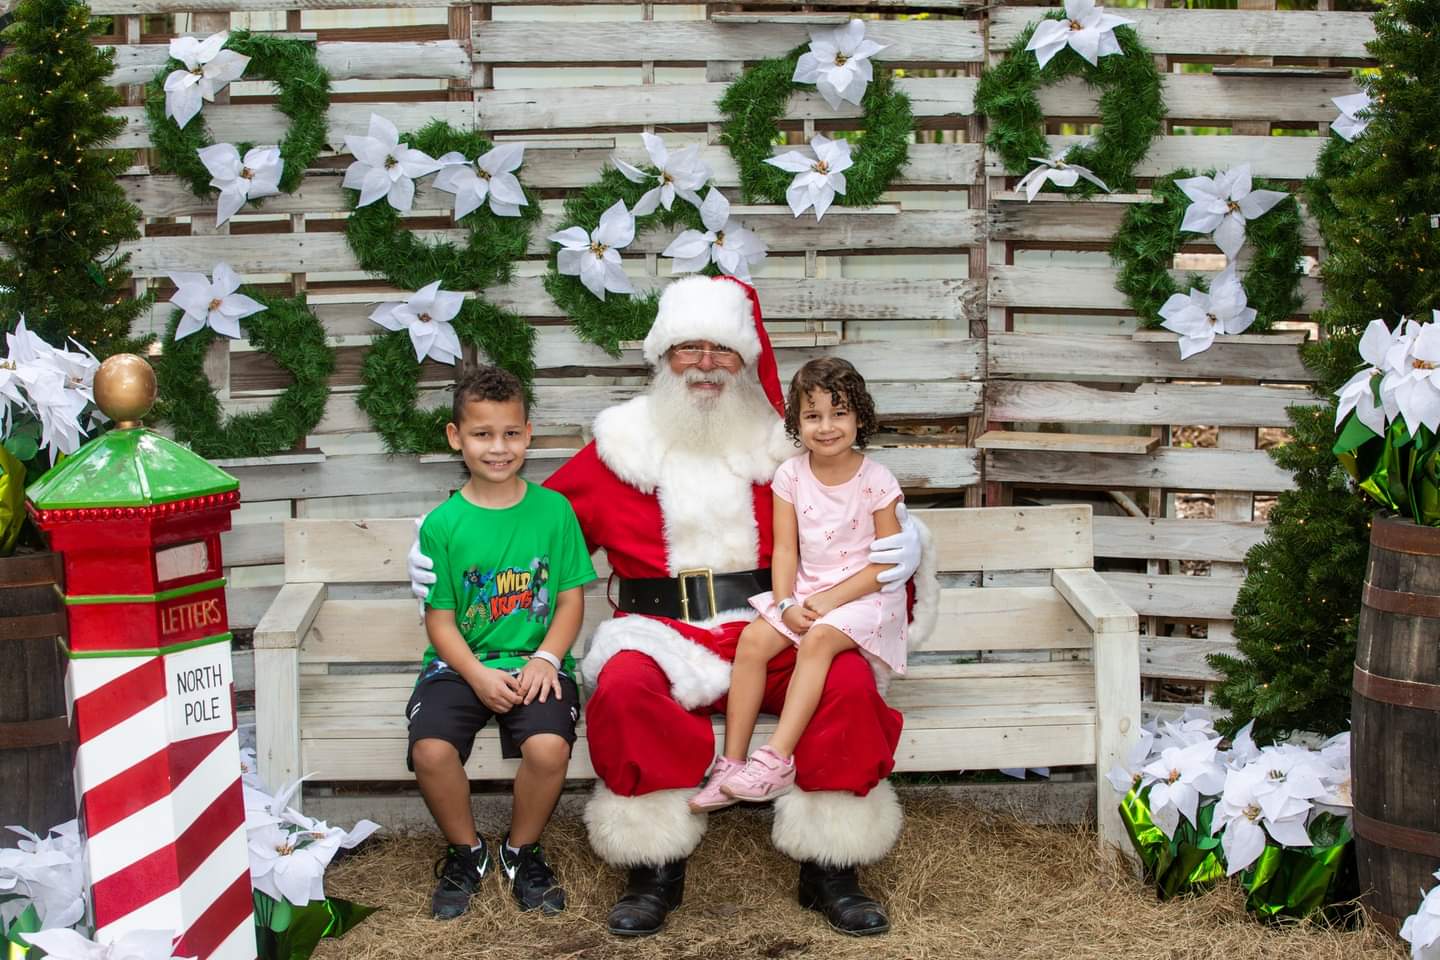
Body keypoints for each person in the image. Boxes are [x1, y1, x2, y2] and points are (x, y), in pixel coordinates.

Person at [409, 275, 936, 937]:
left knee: (850, 680)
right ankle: (654, 865)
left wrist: (910, 542)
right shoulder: (620, 449)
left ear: (745, 360)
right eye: (690, 348)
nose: (707, 364)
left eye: (723, 349)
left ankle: (831, 864)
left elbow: (856, 503)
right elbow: (533, 522)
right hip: (659, 631)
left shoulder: (788, 445)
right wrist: (441, 554)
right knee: (624, 690)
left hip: (773, 626)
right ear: (662, 356)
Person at [407, 365, 597, 920]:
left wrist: (546, 657)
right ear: (455, 436)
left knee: (548, 748)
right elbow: (439, 620)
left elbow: (568, 599)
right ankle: (467, 853)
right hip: (460, 664)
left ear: (528, 433)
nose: (498, 447)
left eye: (511, 433)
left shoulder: (553, 511)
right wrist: (475, 675)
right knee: (431, 750)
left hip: (537, 661)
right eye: (483, 434)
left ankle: (521, 850)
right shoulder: (442, 524)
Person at [692, 357, 908, 811]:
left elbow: (886, 566)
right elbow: (785, 551)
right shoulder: (790, 477)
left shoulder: (877, 482)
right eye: (813, 416)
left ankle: (775, 759)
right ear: (796, 421)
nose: (826, 426)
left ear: (860, 417)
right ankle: (732, 763)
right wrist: (787, 601)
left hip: (864, 597)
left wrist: (830, 599)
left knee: (817, 642)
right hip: (808, 592)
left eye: (839, 412)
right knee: (752, 641)